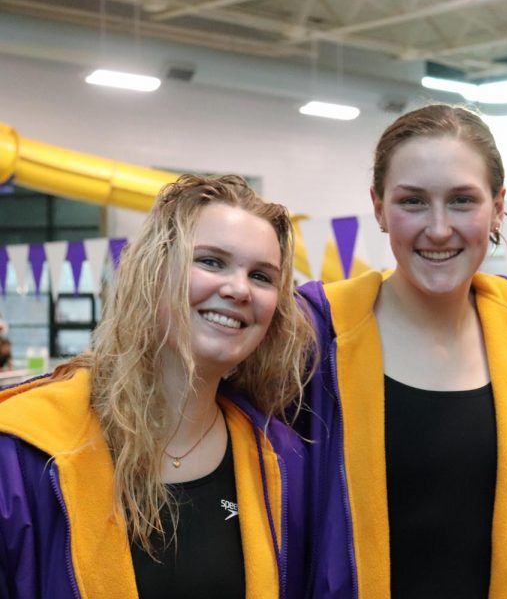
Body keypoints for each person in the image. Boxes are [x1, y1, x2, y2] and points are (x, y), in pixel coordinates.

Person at [296, 104, 507, 599]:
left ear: (498, 206)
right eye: (413, 202)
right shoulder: (316, 335)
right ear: (378, 206)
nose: (438, 229)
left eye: (462, 201)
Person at [0, 175, 316, 598]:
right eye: (210, 261)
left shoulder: (278, 460)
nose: (239, 289)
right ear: (153, 270)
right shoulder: (25, 453)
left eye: (261, 276)